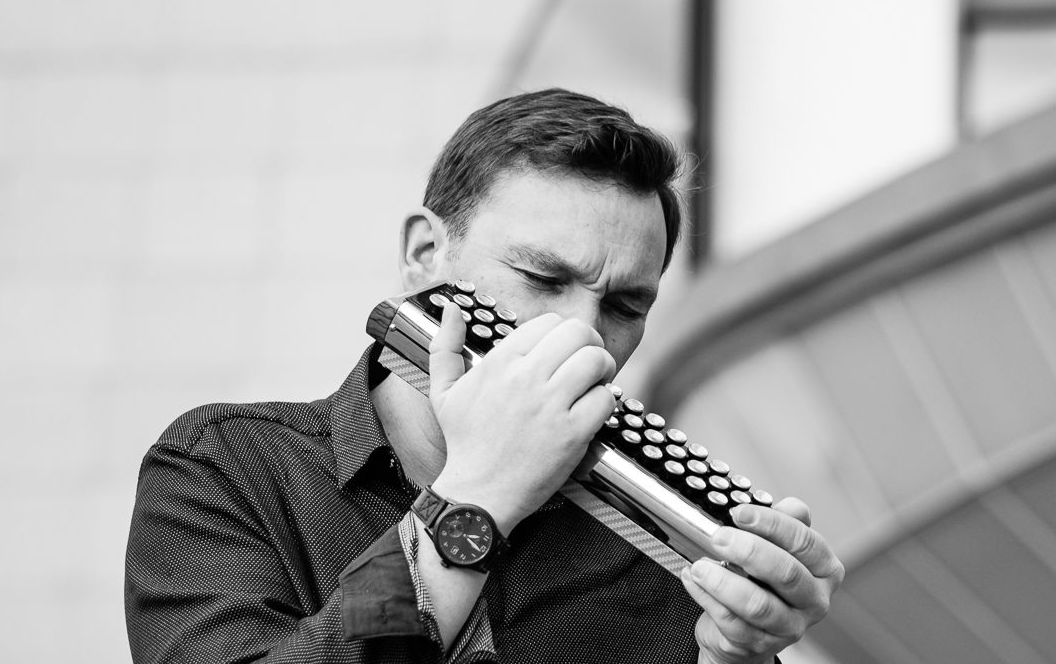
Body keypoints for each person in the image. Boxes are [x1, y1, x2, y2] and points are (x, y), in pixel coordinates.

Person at [124, 88, 843, 664]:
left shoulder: (662, 544)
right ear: (424, 255)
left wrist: (736, 658)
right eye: (542, 277)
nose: (584, 337)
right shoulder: (229, 467)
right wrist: (475, 498)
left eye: (625, 305)